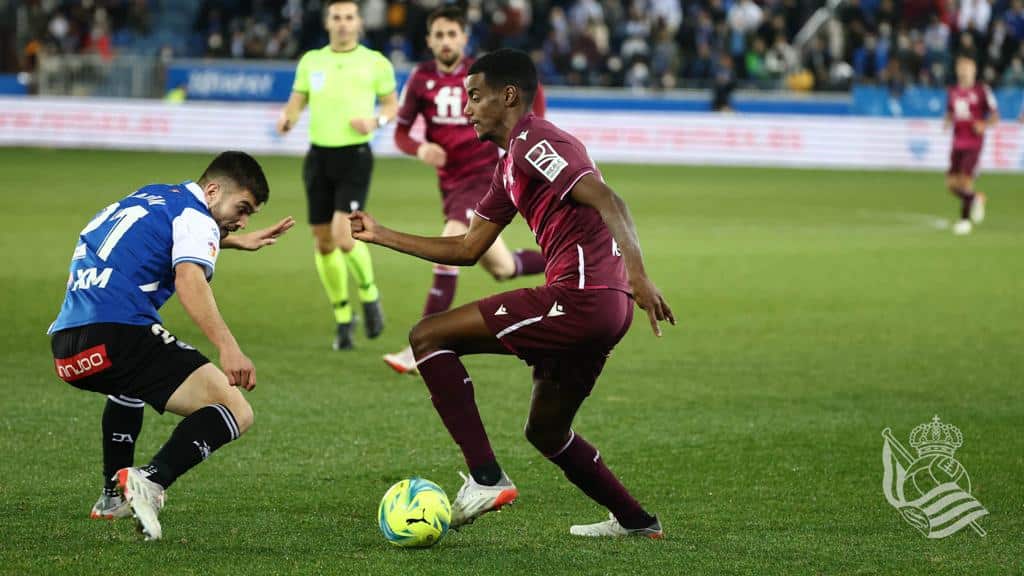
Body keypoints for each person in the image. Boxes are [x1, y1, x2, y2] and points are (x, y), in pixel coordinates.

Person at [350, 49, 674, 538]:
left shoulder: (536, 139)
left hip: (582, 297)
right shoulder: (507, 167)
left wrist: (641, 276)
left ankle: (485, 479)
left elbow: (610, 199)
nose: (467, 109)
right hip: (603, 307)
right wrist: (382, 234)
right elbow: (467, 247)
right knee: (545, 430)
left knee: (428, 338)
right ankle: (636, 521)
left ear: (509, 96)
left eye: (475, 96)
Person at [48, 151, 294, 540]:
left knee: (127, 385)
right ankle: (150, 480)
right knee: (235, 409)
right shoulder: (197, 218)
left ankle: (112, 497)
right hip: (119, 334)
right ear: (213, 190)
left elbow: (157, 237)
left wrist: (232, 240)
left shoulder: (154, 196)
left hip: (69, 348)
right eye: (241, 208)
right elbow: (189, 279)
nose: (243, 220)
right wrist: (228, 346)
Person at [383, 6, 547, 374]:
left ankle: (421, 344)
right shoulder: (421, 79)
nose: (445, 41)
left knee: (450, 242)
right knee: (503, 268)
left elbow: (532, 92)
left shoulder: (484, 73)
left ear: (464, 37)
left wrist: (533, 129)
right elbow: (400, 131)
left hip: (486, 174)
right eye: (438, 35)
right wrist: (419, 148)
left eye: (451, 34)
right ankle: (571, 262)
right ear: (429, 40)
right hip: (452, 183)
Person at [277, 0, 397, 349]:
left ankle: (370, 295)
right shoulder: (311, 61)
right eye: (337, 18)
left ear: (359, 23)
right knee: (323, 241)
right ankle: (344, 317)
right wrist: (288, 118)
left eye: (349, 18)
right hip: (318, 157)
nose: (343, 23)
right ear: (328, 22)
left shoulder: (375, 62)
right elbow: (297, 101)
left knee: (344, 236)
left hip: (355, 155)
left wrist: (377, 121)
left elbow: (392, 104)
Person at [944, 54, 998, 236]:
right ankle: (976, 199)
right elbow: (951, 111)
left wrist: (984, 124)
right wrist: (947, 122)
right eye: (961, 68)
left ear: (974, 70)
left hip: (973, 143)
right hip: (957, 141)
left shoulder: (982, 91)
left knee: (966, 181)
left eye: (967, 68)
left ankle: (964, 220)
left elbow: (994, 116)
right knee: (951, 185)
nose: (963, 71)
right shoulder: (952, 91)